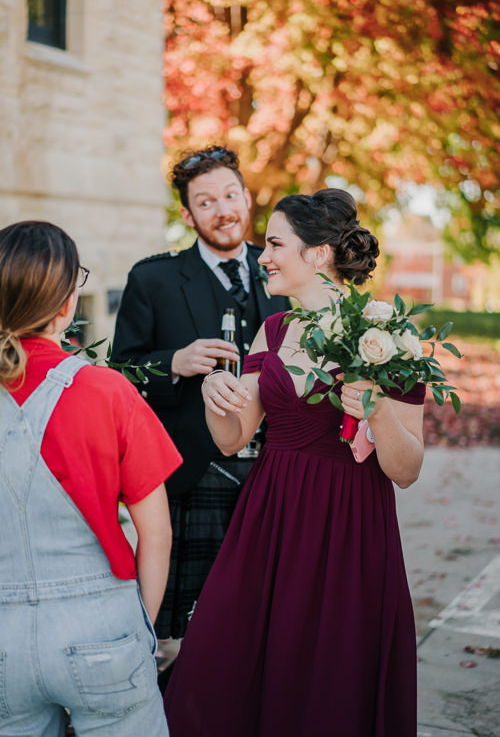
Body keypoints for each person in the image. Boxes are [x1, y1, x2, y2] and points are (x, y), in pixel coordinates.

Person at [164, 189, 426, 737]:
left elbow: (406, 469)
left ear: (318, 254)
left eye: (276, 243)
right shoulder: (274, 330)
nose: (262, 256)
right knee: (226, 656)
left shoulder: (392, 336)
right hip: (271, 519)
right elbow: (234, 440)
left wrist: (377, 414)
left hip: (349, 524)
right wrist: (218, 399)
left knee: (330, 668)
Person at [0, 221, 182, 737]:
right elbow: (157, 534)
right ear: (65, 304)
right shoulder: (106, 390)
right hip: (101, 624)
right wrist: (140, 629)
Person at [111, 145, 290, 644]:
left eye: (231, 195)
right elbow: (121, 370)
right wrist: (173, 361)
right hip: (196, 470)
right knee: (202, 617)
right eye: (207, 201)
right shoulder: (153, 278)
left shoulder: (281, 268)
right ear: (188, 214)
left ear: (247, 198)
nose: (224, 209)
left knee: (270, 607)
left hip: (280, 464)